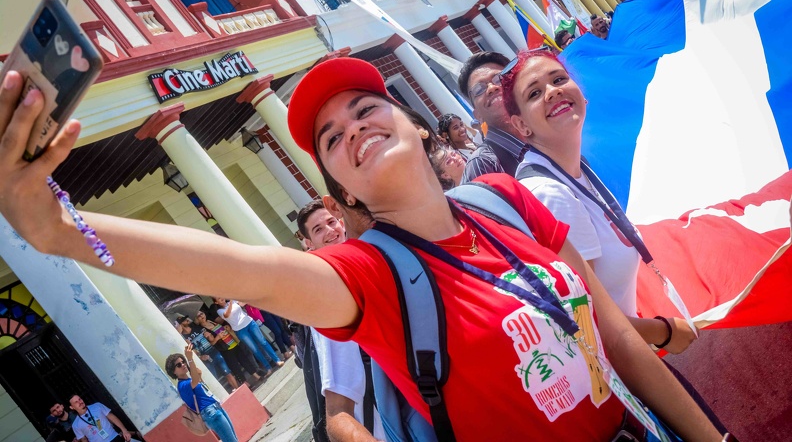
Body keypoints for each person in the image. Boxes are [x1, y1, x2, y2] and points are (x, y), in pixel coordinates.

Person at [0, 63, 726, 441]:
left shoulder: (508, 199)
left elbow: (621, 346)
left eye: (364, 108)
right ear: (340, 187)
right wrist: (58, 231)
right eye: (329, 137)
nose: (352, 129)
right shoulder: (365, 275)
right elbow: (236, 268)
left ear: (408, 119)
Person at [500, 49, 728, 432]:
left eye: (558, 80)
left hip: (633, 365)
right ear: (521, 126)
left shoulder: (575, 169)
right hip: (624, 386)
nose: (553, 92)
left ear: (580, 92)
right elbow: (589, 322)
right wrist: (665, 331)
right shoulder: (550, 194)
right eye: (534, 93)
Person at [297, 200, 385, 442]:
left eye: (331, 222)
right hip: (384, 426)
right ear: (310, 245)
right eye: (318, 230)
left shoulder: (373, 264)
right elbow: (336, 411)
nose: (329, 231)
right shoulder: (327, 297)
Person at [457, 52, 531, 182]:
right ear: (478, 115)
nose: (491, 88)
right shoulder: (483, 165)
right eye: (479, 89)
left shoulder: (544, 130)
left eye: (499, 78)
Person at [167, 344, 238, 442]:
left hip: (215, 407)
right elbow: (195, 381)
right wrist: (190, 359)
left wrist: (200, 378)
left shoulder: (189, 380)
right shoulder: (182, 385)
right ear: (173, 371)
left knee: (233, 439)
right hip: (210, 412)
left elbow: (203, 390)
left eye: (183, 362)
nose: (183, 364)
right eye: (178, 365)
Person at [213, 297, 284, 374]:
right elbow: (227, 315)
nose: (221, 298)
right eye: (218, 299)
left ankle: (277, 360)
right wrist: (230, 303)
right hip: (240, 330)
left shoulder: (233, 301)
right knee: (254, 349)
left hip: (250, 323)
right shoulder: (220, 311)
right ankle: (268, 367)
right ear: (216, 302)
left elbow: (242, 303)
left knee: (263, 342)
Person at [195, 310, 266, 383]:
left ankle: (257, 376)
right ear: (197, 319)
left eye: (202, 313)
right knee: (235, 367)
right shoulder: (203, 330)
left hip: (232, 342)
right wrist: (218, 337)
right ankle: (245, 384)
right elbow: (212, 343)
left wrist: (226, 328)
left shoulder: (210, 321)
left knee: (245, 360)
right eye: (199, 316)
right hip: (225, 348)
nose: (201, 316)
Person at [178, 315, 240, 390]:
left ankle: (239, 389)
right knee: (214, 379)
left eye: (186, 318)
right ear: (180, 324)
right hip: (204, 359)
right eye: (184, 320)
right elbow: (190, 352)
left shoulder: (196, 327)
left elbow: (211, 340)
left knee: (227, 372)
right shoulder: (183, 337)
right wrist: (200, 357)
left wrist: (209, 335)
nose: (187, 320)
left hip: (213, 351)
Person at [69, 395, 138, 442]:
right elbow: (83, 439)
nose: (80, 402)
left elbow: (112, 417)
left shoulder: (97, 406)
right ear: (72, 407)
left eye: (79, 399)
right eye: (76, 402)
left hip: (115, 438)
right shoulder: (75, 425)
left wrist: (124, 430)